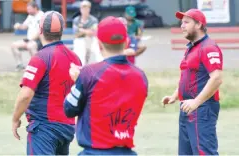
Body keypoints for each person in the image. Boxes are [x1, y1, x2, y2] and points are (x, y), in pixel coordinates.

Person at [64, 16, 148, 155]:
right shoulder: (141, 76)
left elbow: (69, 109)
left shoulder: (89, 73)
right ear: (126, 41)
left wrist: (77, 82)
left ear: (99, 44)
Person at [11, 11, 81, 155]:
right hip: (67, 127)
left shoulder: (40, 58)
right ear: (62, 30)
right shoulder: (75, 58)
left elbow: (26, 94)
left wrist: (15, 119)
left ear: (40, 30)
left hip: (44, 128)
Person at [162, 9, 223, 155]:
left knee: (204, 153)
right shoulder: (192, 48)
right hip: (187, 107)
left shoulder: (208, 47)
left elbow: (217, 78)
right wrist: (174, 96)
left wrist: (196, 102)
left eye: (186, 22)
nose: (181, 26)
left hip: (202, 109)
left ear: (198, 25)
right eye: (181, 22)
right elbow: (189, 76)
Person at [11, 1, 44, 71]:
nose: (27, 11)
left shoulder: (42, 16)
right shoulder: (30, 16)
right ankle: (20, 65)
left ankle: (36, 66)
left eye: (29, 9)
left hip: (39, 40)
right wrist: (18, 26)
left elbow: (40, 32)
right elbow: (24, 26)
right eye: (27, 9)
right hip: (29, 39)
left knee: (30, 46)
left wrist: (31, 39)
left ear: (35, 8)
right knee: (14, 45)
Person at [72, 0, 102, 65]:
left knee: (95, 46)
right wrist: (88, 31)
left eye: (87, 7)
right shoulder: (76, 20)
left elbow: (94, 33)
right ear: (80, 9)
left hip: (91, 40)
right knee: (79, 45)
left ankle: (96, 66)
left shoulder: (94, 20)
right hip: (79, 40)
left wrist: (82, 30)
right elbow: (76, 34)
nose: (85, 9)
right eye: (83, 7)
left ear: (89, 9)